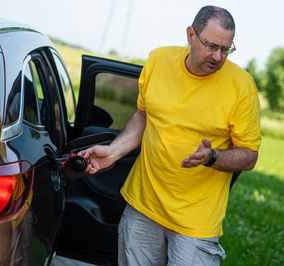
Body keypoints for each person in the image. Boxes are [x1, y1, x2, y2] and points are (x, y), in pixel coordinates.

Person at [78, 5, 261, 265]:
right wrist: (115, 151)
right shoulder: (159, 60)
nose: (218, 57)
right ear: (190, 35)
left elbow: (249, 156)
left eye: (226, 49)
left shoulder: (242, 87)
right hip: (143, 206)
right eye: (211, 46)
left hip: (195, 223)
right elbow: (143, 116)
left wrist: (212, 157)